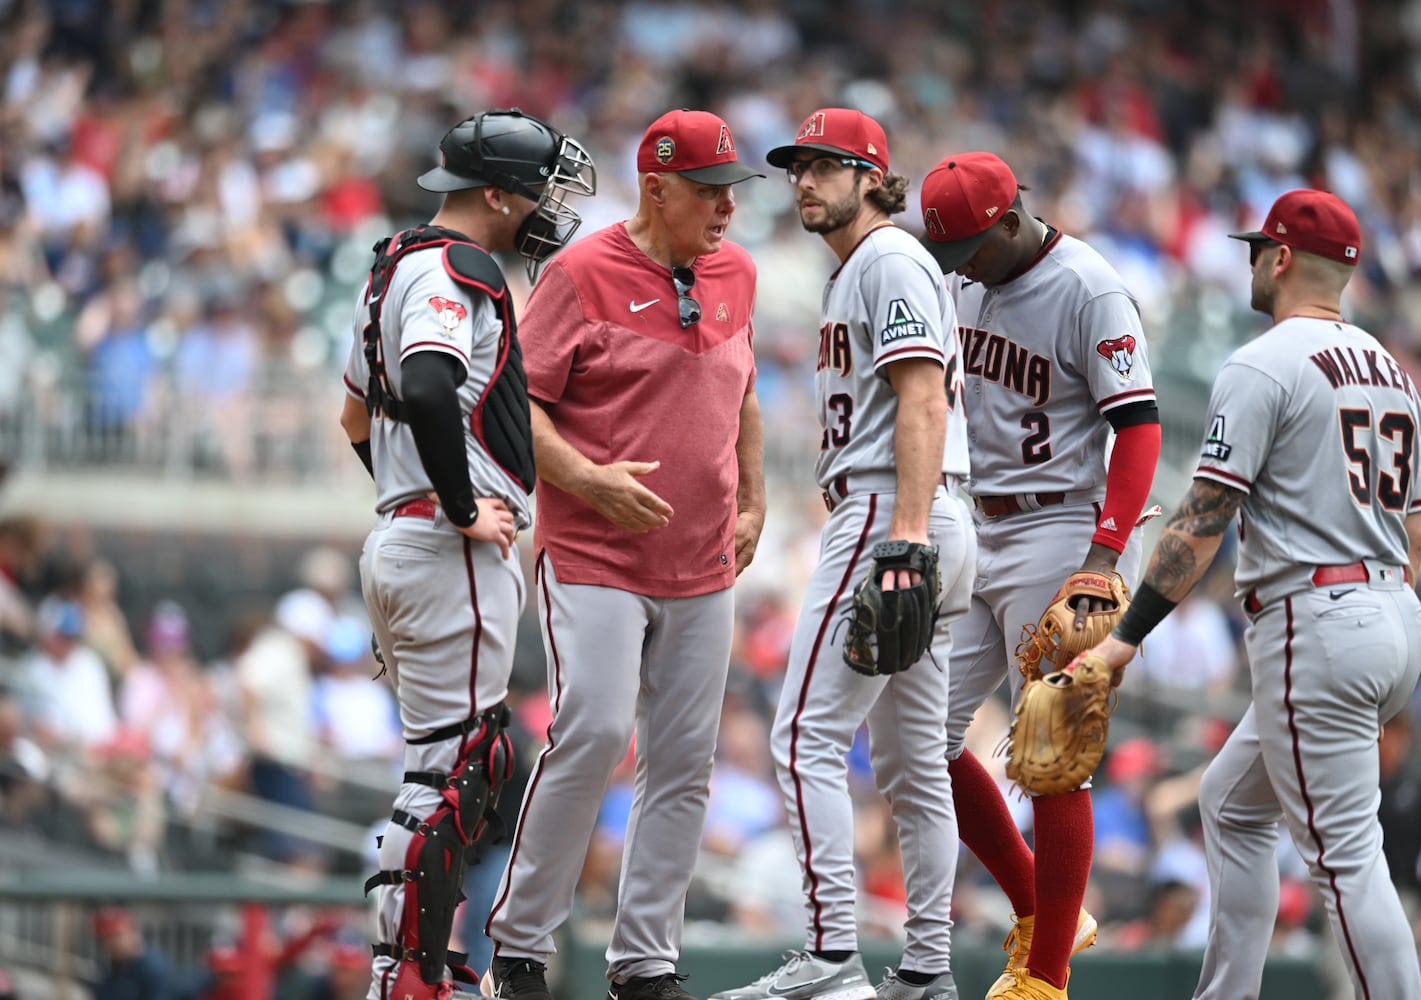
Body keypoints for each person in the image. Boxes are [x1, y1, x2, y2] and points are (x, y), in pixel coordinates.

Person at [1078, 188, 1421, 999]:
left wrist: (1125, 636)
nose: (1247, 263)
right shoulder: (1391, 373)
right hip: (1388, 614)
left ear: (1279, 258)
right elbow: (1415, 528)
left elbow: (1202, 518)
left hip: (1317, 622)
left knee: (1342, 858)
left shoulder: (1262, 360)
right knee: (1229, 804)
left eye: (1254, 250)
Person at [483, 108, 764, 1000]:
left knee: (684, 762)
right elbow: (518, 405)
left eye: (731, 191)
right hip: (596, 548)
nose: (725, 208)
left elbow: (743, 386)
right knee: (595, 730)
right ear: (656, 187)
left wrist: (755, 498)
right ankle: (520, 949)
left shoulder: (738, 272)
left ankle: (644, 965)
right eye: (709, 191)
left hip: (703, 558)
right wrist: (589, 477)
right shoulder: (579, 271)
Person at [710, 108, 974, 1000]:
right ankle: (929, 966)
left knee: (799, 735)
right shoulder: (862, 268)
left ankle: (829, 958)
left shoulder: (888, 259)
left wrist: (900, 533)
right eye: (797, 167)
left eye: (826, 166)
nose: (804, 181)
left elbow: (923, 399)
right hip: (922, 513)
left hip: (891, 511)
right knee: (908, 763)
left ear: (873, 178)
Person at [339, 107, 596, 1000]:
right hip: (443, 547)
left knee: (436, 768)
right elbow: (425, 380)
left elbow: (352, 415)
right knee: (460, 768)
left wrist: (408, 501)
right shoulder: (458, 266)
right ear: (494, 193)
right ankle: (405, 974)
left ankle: (407, 965)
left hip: (401, 538)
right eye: (534, 190)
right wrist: (452, 508)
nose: (543, 207)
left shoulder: (388, 269)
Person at [916, 151, 1162, 1000]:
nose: (960, 269)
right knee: (914, 734)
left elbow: (1136, 428)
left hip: (1063, 526)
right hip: (976, 519)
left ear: (1011, 220)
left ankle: (1044, 976)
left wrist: (1101, 557)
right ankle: (1041, 906)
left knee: (1055, 745)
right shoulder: (962, 276)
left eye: (970, 251)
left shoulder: (1089, 287)